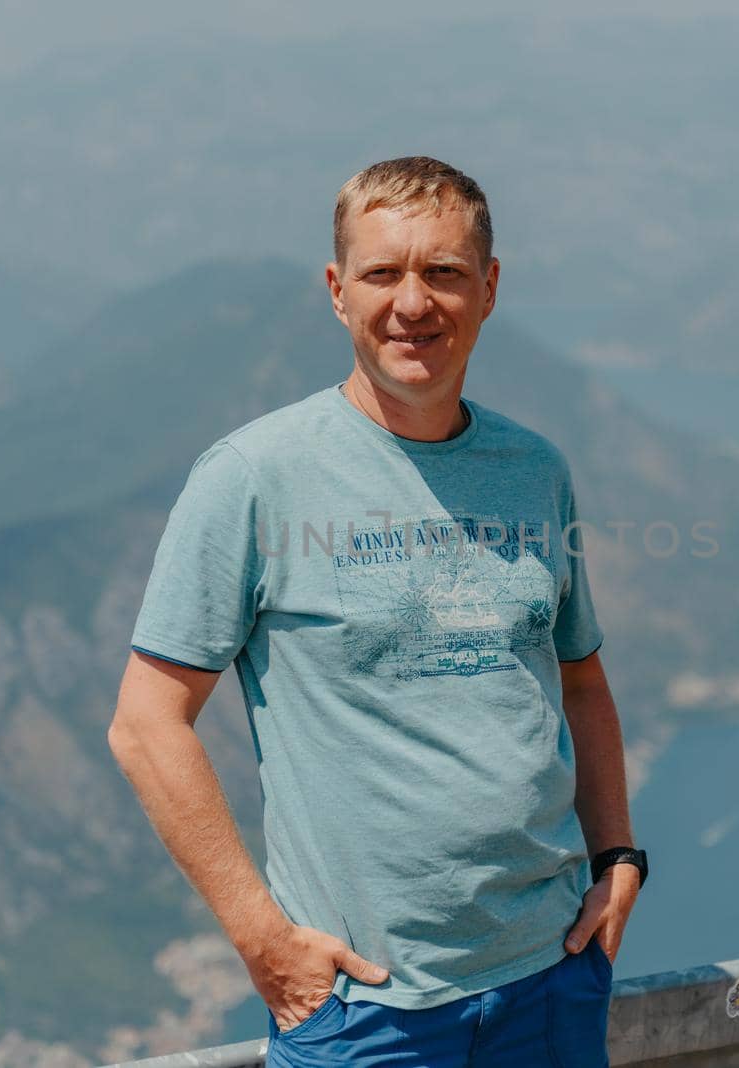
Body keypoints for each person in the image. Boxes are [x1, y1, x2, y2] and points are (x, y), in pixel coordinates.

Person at [107, 156, 647, 1067]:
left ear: (489, 289)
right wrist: (265, 943)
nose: (414, 302)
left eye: (443, 271)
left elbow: (581, 678)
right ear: (336, 290)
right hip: (368, 1009)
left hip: (550, 976)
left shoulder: (534, 471)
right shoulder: (253, 477)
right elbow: (145, 725)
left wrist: (618, 858)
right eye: (382, 272)